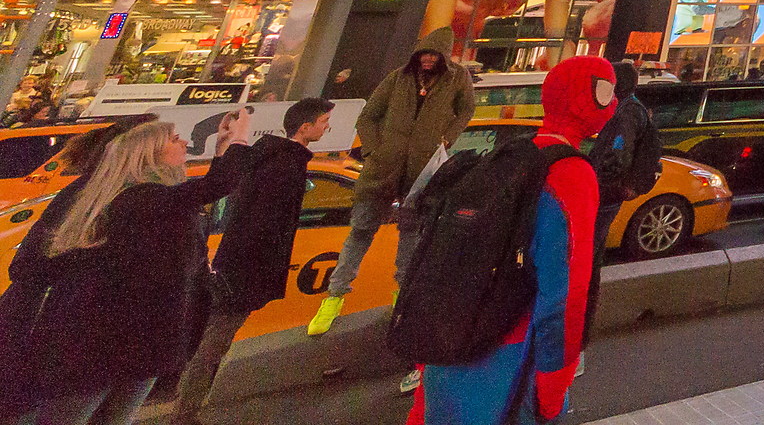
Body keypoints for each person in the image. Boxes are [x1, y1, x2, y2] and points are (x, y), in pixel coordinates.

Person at [0, 107, 259, 425]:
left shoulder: (155, 198)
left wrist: (221, 151)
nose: (184, 143)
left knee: (110, 417)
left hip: (140, 337)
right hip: (103, 341)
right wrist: (239, 138)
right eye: (174, 138)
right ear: (149, 154)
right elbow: (218, 185)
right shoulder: (141, 199)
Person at [410, 57, 613, 425]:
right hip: (510, 361)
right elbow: (565, 292)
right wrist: (554, 384)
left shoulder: (513, 151)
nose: (612, 104)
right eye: (606, 92)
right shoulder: (571, 172)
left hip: (451, 342)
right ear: (589, 98)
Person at [171, 99, 332, 424]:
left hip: (237, 266)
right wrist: (255, 271)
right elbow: (263, 222)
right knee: (214, 343)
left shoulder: (275, 158)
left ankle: (186, 410)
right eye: (324, 120)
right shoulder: (285, 165)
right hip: (243, 271)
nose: (326, 126)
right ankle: (184, 414)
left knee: (214, 341)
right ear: (305, 126)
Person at [309, 28, 477, 337]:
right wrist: (375, 150)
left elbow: (467, 109)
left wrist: (447, 137)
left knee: (410, 237)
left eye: (434, 54)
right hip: (381, 170)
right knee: (360, 232)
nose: (427, 59)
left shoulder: (457, 79)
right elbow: (368, 116)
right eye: (423, 53)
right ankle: (333, 298)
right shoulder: (398, 78)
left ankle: (402, 296)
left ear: (443, 57)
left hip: (421, 173)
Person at [585, 62, 663, 348]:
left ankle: (581, 329)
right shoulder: (631, 108)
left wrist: (599, 180)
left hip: (607, 192)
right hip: (610, 190)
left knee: (589, 253)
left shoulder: (627, 112)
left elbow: (619, 150)